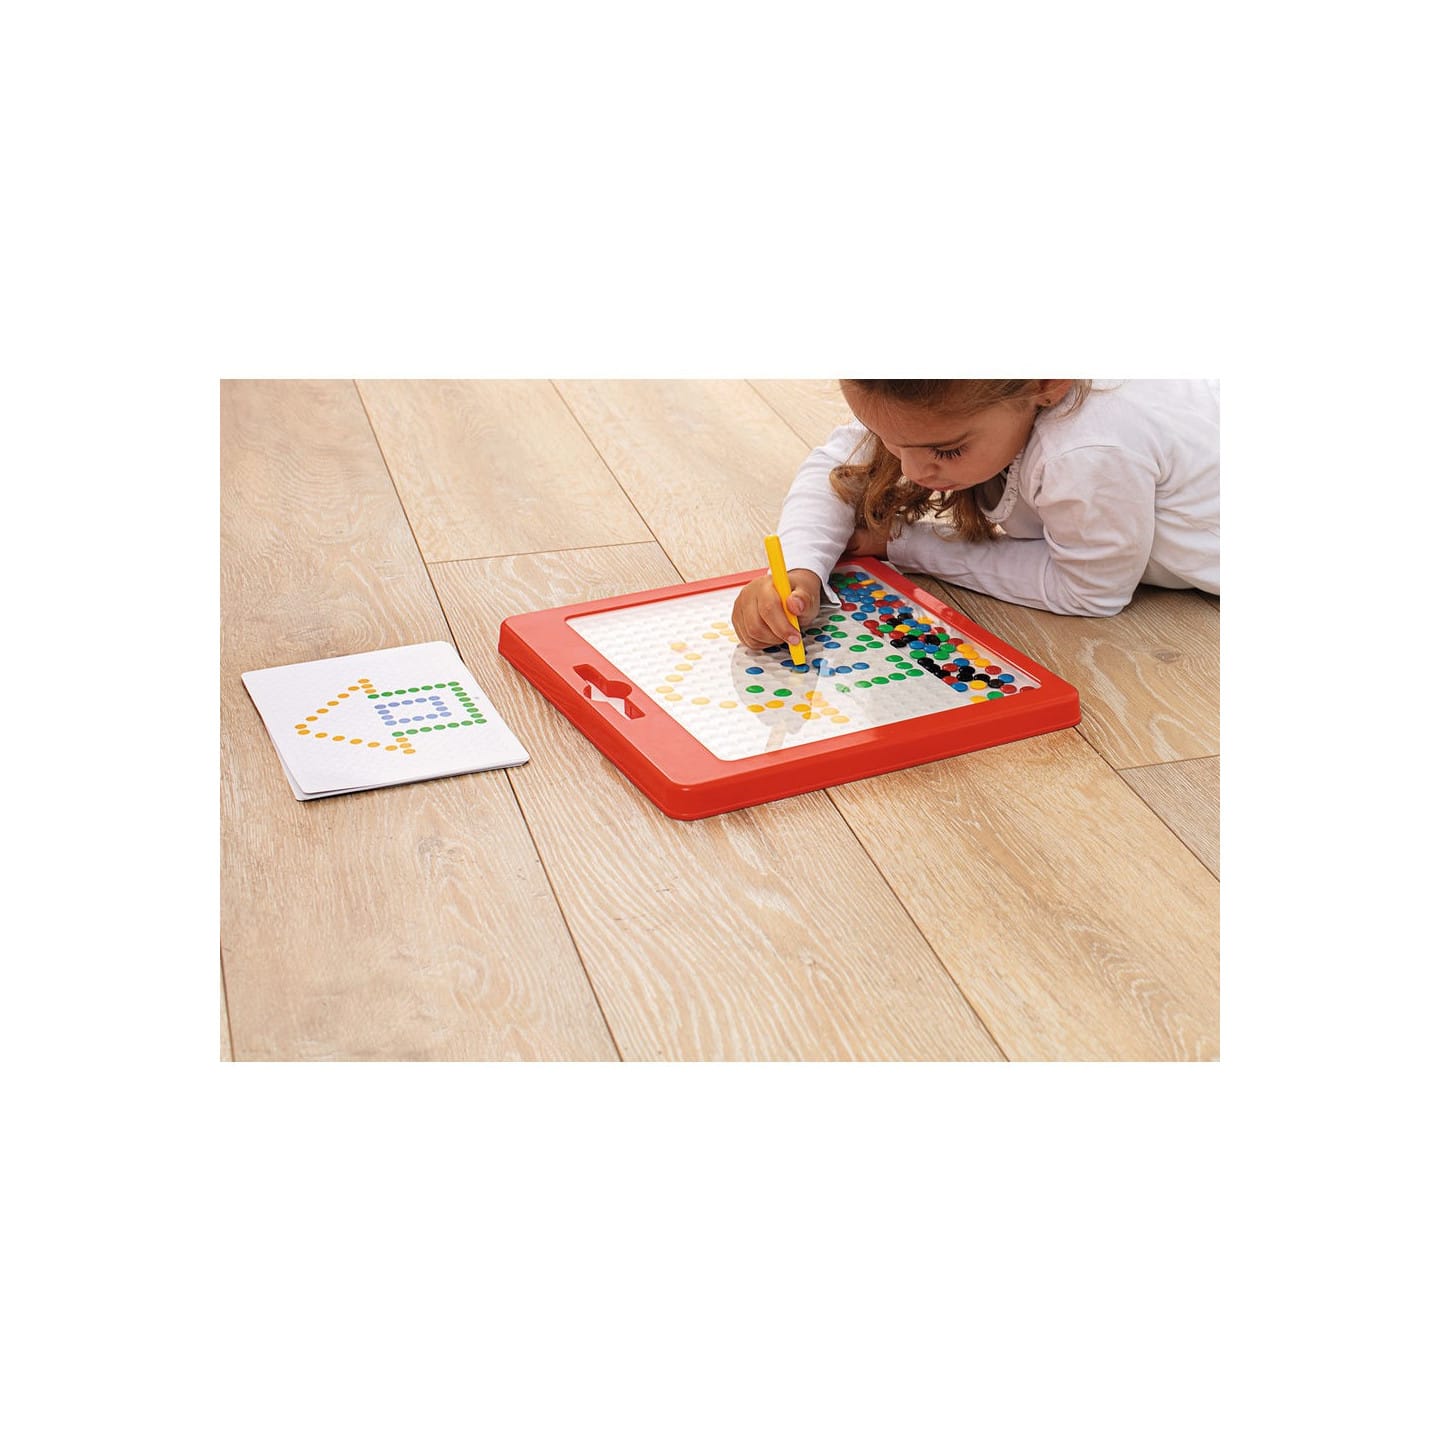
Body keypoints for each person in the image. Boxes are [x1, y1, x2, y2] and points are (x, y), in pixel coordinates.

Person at [731, 379, 1219, 647]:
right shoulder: (944, 398)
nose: (912, 470)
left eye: (946, 451)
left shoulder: (1087, 450)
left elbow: (1089, 590)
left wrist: (906, 543)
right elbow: (840, 467)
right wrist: (798, 568)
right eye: (886, 438)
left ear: (1047, 384)